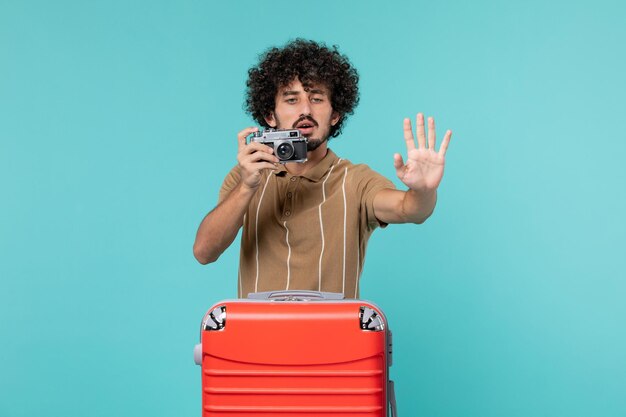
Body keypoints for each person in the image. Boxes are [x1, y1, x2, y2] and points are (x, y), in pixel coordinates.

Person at [193, 39, 452, 298]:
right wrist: (247, 186)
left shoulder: (356, 180)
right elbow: (204, 252)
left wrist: (424, 191)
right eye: (292, 100)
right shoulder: (245, 175)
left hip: (335, 337)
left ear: (335, 114)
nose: (306, 110)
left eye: (316, 99)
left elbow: (410, 209)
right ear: (270, 116)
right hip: (259, 336)